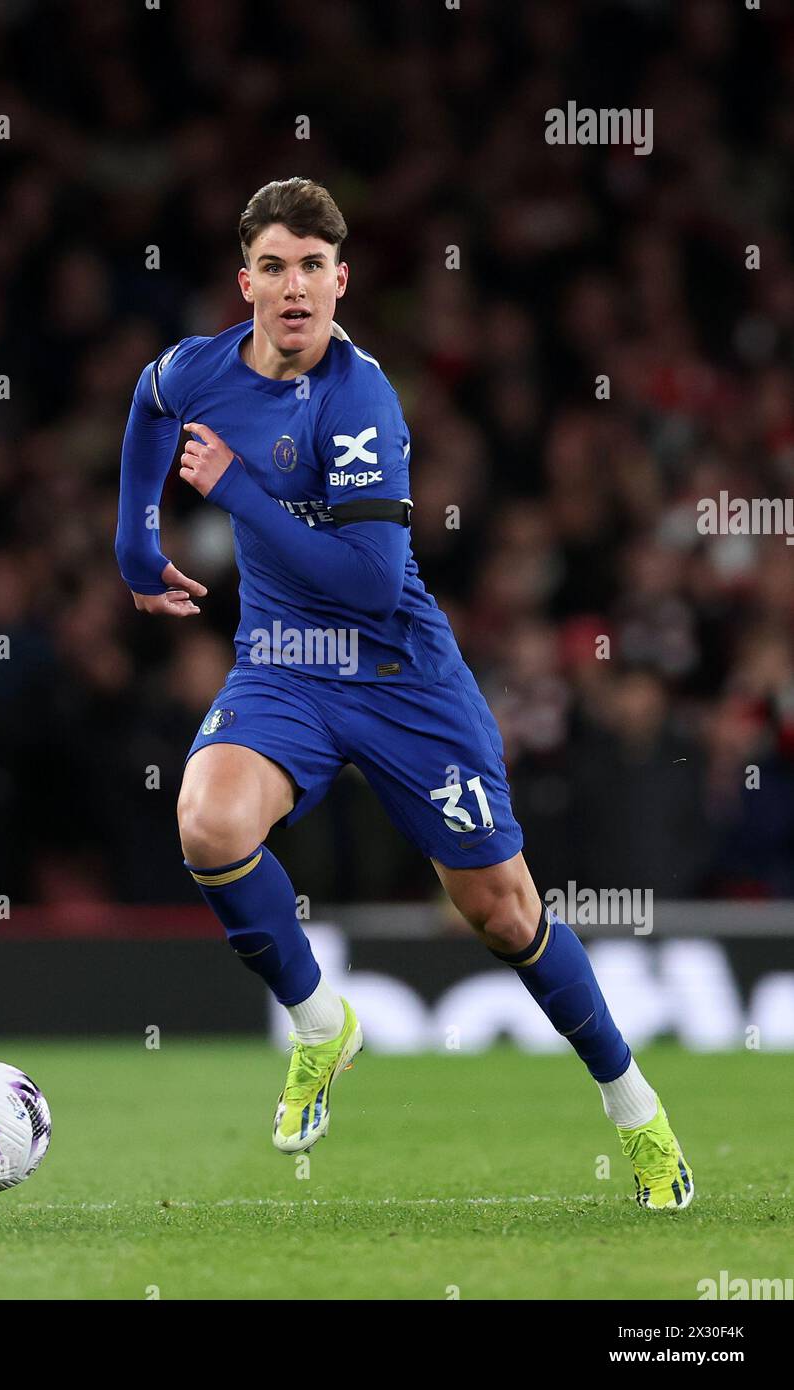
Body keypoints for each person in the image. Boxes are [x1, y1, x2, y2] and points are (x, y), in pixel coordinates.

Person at [115, 177, 693, 1210]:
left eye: (313, 268)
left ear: (341, 280)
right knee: (206, 821)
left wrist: (236, 488)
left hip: (398, 677)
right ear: (244, 280)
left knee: (500, 911)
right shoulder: (200, 368)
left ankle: (634, 1112)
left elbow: (371, 580)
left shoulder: (358, 396)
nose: (294, 287)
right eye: (274, 266)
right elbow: (147, 402)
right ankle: (320, 1021)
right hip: (283, 666)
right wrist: (132, 541)